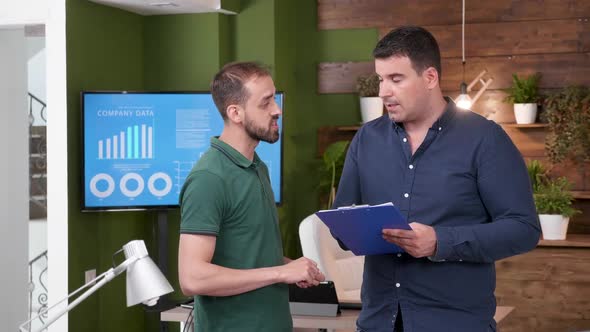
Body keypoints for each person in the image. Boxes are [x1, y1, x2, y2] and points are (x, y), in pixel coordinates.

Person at [332, 26, 540, 332]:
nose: (383, 92)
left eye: (396, 79)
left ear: (430, 78)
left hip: (454, 323)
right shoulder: (367, 139)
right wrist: (352, 227)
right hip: (379, 321)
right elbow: (343, 221)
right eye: (380, 79)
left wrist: (440, 242)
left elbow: (523, 228)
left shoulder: (485, 139)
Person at [178, 61, 325, 332]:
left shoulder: (258, 167)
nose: (277, 110)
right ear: (236, 112)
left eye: (275, 100)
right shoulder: (209, 179)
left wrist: (293, 268)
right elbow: (192, 278)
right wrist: (281, 273)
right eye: (266, 102)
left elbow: (248, 256)